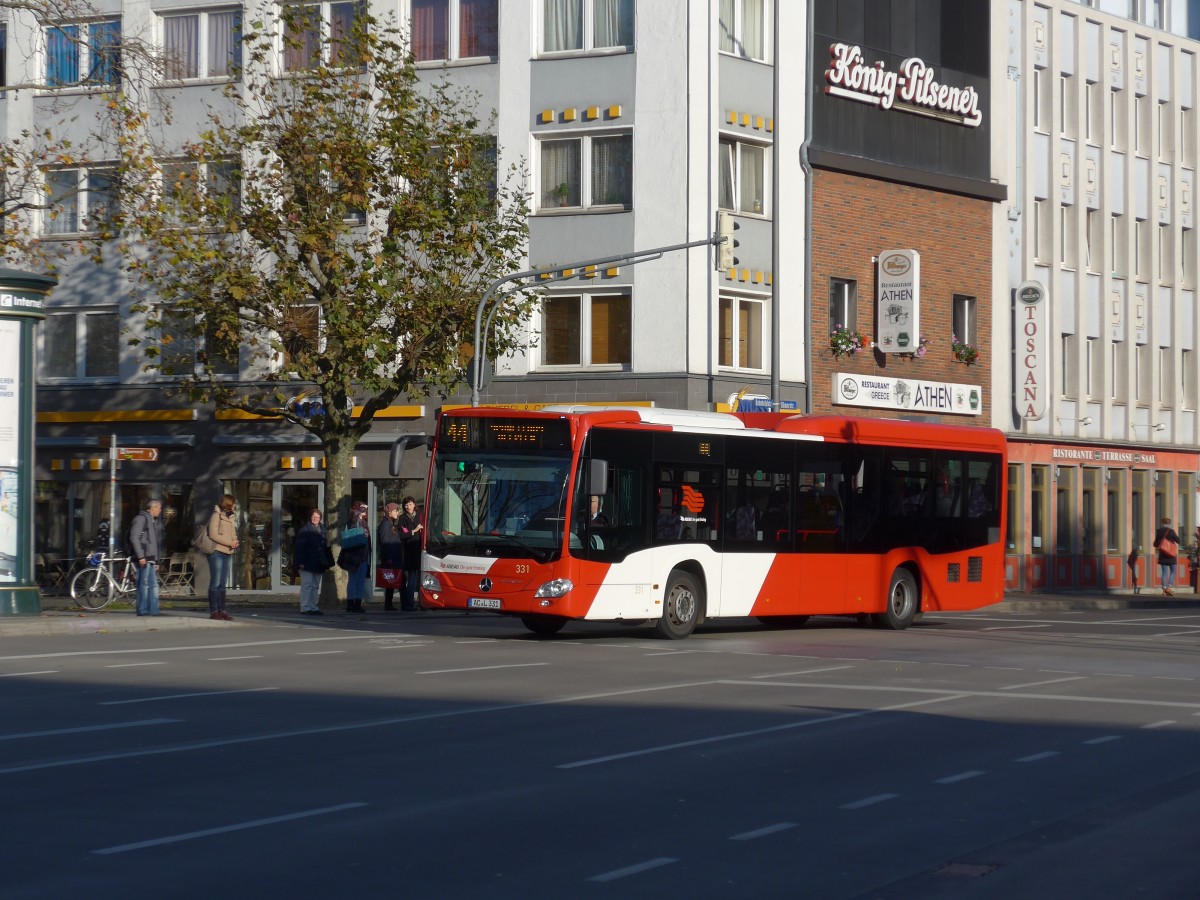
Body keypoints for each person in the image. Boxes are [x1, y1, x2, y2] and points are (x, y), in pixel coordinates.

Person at [206, 493, 240, 621]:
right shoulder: (216, 515)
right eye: (234, 503)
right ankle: (214, 611)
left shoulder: (231, 517)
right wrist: (228, 542)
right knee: (215, 581)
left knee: (222, 583)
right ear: (229, 504)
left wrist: (235, 541)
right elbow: (213, 534)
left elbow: (233, 533)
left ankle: (222, 610)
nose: (235, 505)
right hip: (217, 551)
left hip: (228, 552)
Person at [128, 499, 164, 617]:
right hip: (144, 557)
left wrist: (156, 560)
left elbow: (153, 543)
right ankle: (143, 609)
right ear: (151, 508)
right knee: (143, 584)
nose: (160, 510)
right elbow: (134, 538)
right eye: (158, 507)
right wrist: (141, 556)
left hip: (150, 558)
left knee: (153, 585)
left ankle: (153, 609)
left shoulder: (152, 521)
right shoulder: (141, 519)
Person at [294, 508, 329, 615]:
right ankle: (305, 607)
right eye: (314, 517)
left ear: (320, 518)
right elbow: (300, 548)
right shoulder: (304, 530)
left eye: (317, 517)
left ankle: (313, 607)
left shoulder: (323, 530)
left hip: (318, 563)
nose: (315, 519)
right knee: (307, 585)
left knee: (315, 586)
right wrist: (301, 562)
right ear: (310, 517)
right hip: (307, 563)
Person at [339, 501, 372, 614]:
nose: (365, 511)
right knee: (353, 580)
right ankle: (351, 604)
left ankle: (357, 603)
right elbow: (353, 518)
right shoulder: (354, 521)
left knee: (360, 580)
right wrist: (358, 510)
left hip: (364, 555)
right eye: (363, 509)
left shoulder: (364, 523)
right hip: (354, 556)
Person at [377, 502, 404, 611]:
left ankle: (389, 604)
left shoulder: (391, 523)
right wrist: (388, 559)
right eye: (395, 511)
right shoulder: (385, 524)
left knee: (394, 581)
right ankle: (402, 604)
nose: (397, 512)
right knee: (396, 581)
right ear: (389, 512)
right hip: (391, 558)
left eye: (397, 510)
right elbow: (385, 542)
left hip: (394, 556)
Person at [398, 496, 424, 611]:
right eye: (406, 505)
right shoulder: (402, 518)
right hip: (407, 551)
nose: (407, 506)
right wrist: (414, 531)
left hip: (419, 550)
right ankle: (408, 603)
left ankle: (414, 602)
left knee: (416, 578)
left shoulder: (420, 516)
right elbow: (402, 535)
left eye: (409, 504)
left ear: (414, 504)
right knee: (410, 578)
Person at [1153, 517, 1180, 596]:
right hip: (1171, 555)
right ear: (1169, 523)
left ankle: (1164, 590)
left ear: (1162, 523)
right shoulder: (1171, 531)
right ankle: (1169, 587)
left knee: (1164, 573)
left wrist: (1161, 543)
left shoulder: (1159, 532)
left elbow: (1155, 544)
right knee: (1173, 571)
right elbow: (1178, 541)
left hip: (1163, 555)